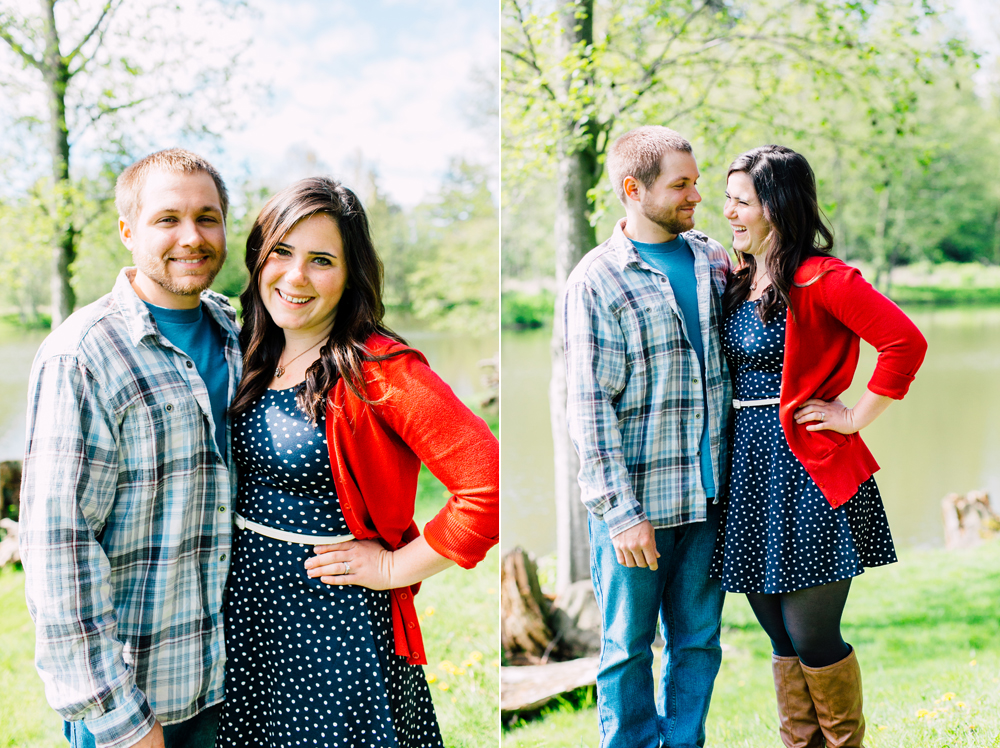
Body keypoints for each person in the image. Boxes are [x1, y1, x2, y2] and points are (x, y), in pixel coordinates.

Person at [214, 176, 499, 746]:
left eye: (321, 260)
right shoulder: (244, 347)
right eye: (282, 253)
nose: (295, 277)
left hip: (335, 622)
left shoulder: (380, 369)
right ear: (258, 257)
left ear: (350, 275)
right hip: (246, 613)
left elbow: (487, 484)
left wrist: (394, 569)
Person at [19, 149, 241, 748]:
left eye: (208, 217)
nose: (191, 237)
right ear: (127, 231)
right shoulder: (83, 355)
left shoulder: (238, 337)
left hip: (228, 683)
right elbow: (57, 549)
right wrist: (118, 718)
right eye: (167, 219)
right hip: (137, 701)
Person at [709, 145, 927, 748]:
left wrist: (856, 416)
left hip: (809, 474)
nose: (728, 211)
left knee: (812, 637)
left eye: (741, 201)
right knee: (778, 638)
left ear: (776, 207)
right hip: (749, 473)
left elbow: (905, 343)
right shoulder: (739, 278)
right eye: (727, 198)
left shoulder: (824, 278)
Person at [563, 126, 732, 748]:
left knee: (698, 642)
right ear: (634, 190)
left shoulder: (713, 259)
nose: (696, 195)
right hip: (638, 508)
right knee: (626, 648)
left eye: (695, 181)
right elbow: (588, 406)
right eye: (681, 185)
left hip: (711, 498)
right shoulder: (596, 280)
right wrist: (621, 513)